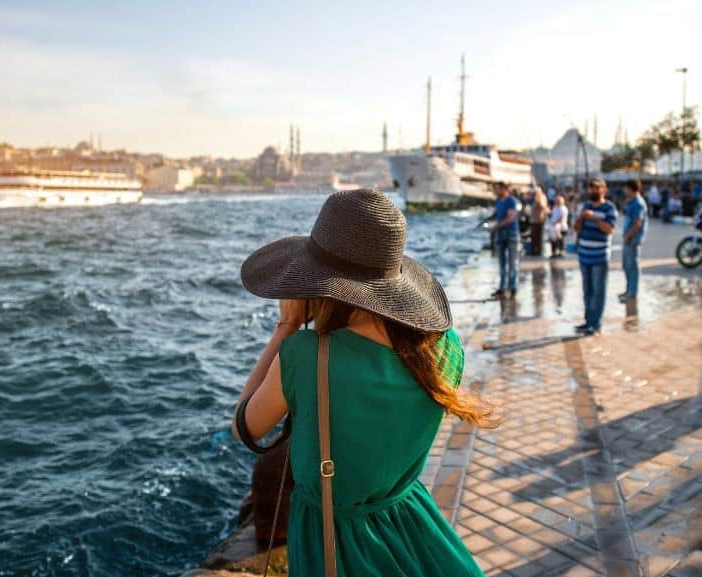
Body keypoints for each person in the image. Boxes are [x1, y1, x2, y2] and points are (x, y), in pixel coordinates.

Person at [233, 189, 495, 577]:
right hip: (411, 524)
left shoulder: (308, 356)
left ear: (322, 283)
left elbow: (244, 427)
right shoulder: (445, 348)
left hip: (333, 542)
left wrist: (286, 326)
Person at [574, 179, 617, 335]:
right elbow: (576, 228)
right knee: (587, 290)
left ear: (603, 190)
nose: (593, 191)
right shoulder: (586, 206)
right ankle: (588, 321)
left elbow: (609, 230)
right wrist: (581, 218)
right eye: (591, 188)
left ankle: (596, 324)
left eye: (597, 188)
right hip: (584, 255)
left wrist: (594, 219)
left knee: (598, 291)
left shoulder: (609, 208)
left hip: (599, 256)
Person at [489, 181, 519, 298]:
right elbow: (498, 214)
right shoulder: (497, 201)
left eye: (496, 189)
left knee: (512, 263)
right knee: (501, 263)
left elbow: (510, 218)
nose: (495, 191)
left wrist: (495, 227)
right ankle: (502, 288)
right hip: (500, 234)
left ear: (503, 189)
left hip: (511, 234)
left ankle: (513, 288)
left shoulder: (511, 201)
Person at [619, 179, 647, 304]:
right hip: (629, 238)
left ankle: (632, 293)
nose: (625, 191)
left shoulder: (638, 203)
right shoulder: (632, 202)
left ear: (630, 188)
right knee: (627, 266)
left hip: (632, 239)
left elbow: (637, 223)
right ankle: (629, 290)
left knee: (632, 267)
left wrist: (628, 236)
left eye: (626, 188)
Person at [529, 186, 548, 255]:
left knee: (538, 236)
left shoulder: (542, 197)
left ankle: (538, 250)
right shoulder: (535, 198)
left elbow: (543, 206)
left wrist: (538, 201)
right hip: (534, 219)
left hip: (539, 220)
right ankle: (534, 249)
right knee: (533, 236)